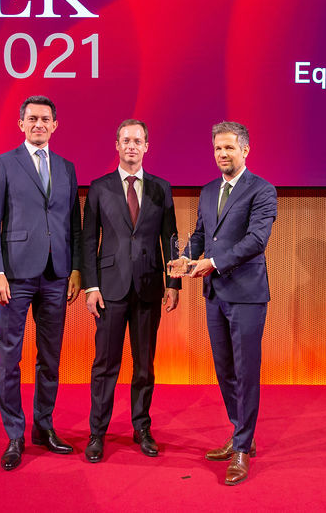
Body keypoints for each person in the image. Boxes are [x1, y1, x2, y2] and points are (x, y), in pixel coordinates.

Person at [0, 95, 82, 471]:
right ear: (21, 124)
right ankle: (14, 435)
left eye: (45, 119)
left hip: (57, 275)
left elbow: (74, 225)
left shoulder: (66, 168)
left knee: (50, 358)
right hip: (14, 276)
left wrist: (76, 271)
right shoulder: (3, 164)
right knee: (9, 358)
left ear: (55, 125)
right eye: (33, 119)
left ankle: (43, 427)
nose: (39, 124)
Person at [177, 121, 276, 486]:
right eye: (218, 148)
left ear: (245, 150)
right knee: (225, 369)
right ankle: (240, 434)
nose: (222, 154)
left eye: (229, 148)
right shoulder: (207, 191)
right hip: (215, 294)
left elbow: (256, 240)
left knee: (246, 371)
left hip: (247, 294)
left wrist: (214, 263)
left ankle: (243, 448)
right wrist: (185, 259)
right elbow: (202, 234)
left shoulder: (262, 190)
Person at [81, 119, 181, 463]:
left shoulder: (161, 188)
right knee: (105, 364)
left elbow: (170, 237)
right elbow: (88, 240)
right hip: (109, 289)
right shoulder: (99, 187)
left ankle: (142, 428)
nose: (131, 146)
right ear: (117, 145)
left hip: (150, 287)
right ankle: (97, 433)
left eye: (138, 141)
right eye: (126, 140)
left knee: (144, 366)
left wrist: (173, 283)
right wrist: (91, 286)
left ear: (146, 146)